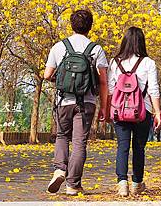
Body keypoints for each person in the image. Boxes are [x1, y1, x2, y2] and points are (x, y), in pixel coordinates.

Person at [44, 10, 109, 196]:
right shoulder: (96, 49)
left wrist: (63, 79)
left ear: (71, 25)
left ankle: (59, 170)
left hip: (63, 101)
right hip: (86, 102)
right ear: (90, 26)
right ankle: (73, 184)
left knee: (62, 136)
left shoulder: (59, 47)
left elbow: (47, 74)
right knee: (80, 143)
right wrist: (104, 107)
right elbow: (103, 82)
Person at [107, 27, 161, 197]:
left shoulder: (115, 62)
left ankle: (122, 183)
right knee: (139, 148)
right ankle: (137, 183)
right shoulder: (148, 62)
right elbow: (153, 89)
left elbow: (110, 89)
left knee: (122, 147)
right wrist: (157, 112)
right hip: (142, 111)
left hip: (120, 111)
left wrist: (107, 109)